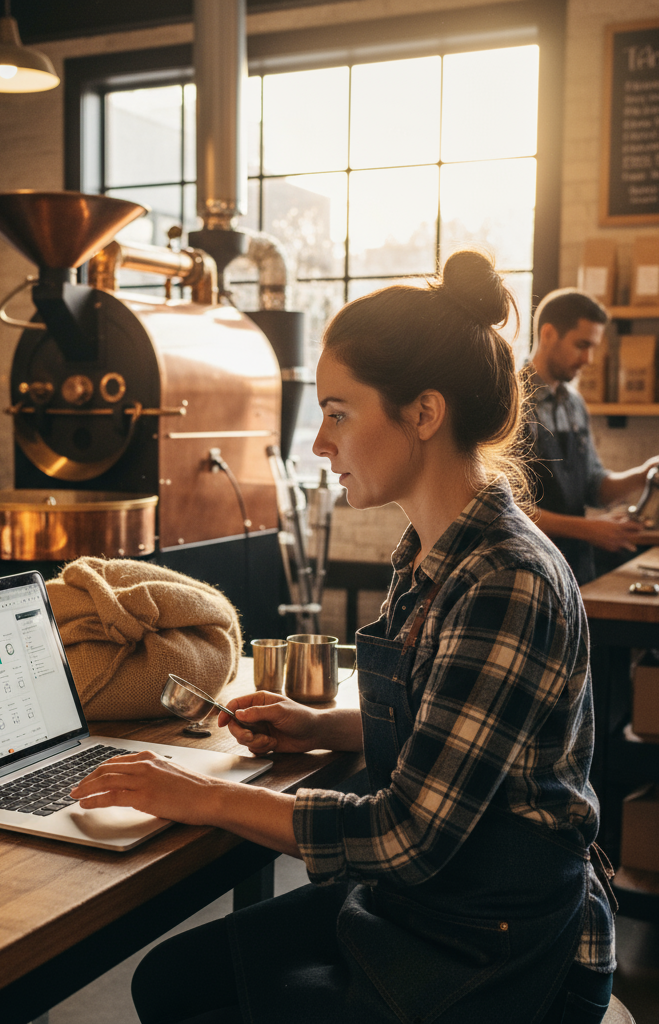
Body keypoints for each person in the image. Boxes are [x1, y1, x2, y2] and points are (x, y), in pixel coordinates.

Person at [70, 251, 617, 1024]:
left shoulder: (505, 579)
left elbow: (407, 836)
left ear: (423, 414)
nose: (320, 444)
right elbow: (462, 735)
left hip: (507, 946)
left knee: (190, 991)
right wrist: (322, 726)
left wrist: (202, 795)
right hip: (436, 907)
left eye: (338, 412)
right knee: (173, 979)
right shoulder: (432, 552)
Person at [525, 288, 659, 583]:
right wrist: (590, 530)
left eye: (593, 347)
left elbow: (594, 487)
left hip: (575, 571)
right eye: (581, 345)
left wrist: (643, 475)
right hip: (530, 567)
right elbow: (506, 508)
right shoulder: (512, 402)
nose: (589, 359)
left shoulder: (574, 404)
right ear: (548, 334)